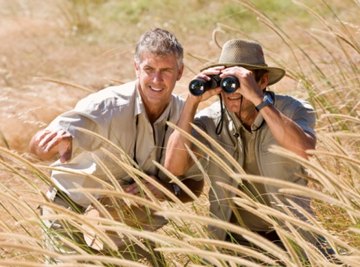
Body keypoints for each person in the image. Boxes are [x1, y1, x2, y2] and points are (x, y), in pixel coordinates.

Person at [29, 28, 203, 264]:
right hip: (69, 203)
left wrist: (164, 189)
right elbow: (42, 146)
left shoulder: (183, 117)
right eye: (149, 70)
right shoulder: (107, 107)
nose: (156, 80)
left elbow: (193, 186)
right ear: (136, 68)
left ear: (180, 72)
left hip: (126, 208)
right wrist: (50, 143)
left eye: (166, 71)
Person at [165, 39, 334, 261]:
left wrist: (257, 98)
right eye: (225, 81)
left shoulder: (292, 110)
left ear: (263, 81)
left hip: (296, 239)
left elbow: (304, 151)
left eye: (239, 81)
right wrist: (192, 104)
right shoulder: (211, 120)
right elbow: (173, 167)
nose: (231, 90)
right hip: (236, 244)